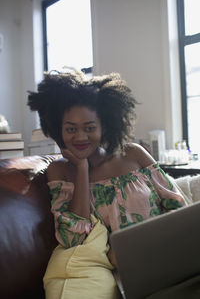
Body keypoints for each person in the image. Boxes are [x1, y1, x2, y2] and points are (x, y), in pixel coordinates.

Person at [27, 70, 186, 298]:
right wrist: (81, 170)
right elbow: (74, 239)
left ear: (105, 126)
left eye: (90, 127)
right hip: (116, 277)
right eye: (71, 129)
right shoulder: (59, 171)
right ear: (58, 129)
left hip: (165, 257)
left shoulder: (133, 154)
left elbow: (177, 205)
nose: (80, 137)